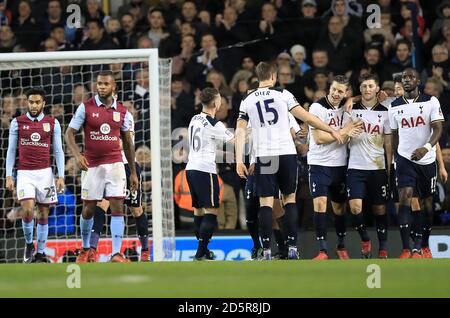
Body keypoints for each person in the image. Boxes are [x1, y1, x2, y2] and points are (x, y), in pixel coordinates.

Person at [235, 62, 346, 260]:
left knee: (266, 203)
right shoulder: (283, 94)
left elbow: (240, 130)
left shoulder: (247, 99)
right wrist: (332, 130)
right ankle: (293, 248)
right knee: (289, 199)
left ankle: (267, 251)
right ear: (273, 76)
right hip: (286, 153)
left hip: (265, 155)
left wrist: (238, 161)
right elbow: (309, 118)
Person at [65, 71, 138, 263]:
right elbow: (69, 133)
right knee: (89, 209)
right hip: (92, 165)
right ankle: (85, 248)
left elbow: (128, 144)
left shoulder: (122, 112)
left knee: (117, 206)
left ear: (113, 86)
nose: (102, 87)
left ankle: (116, 253)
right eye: (99, 84)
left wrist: (133, 173)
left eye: (106, 84)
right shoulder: (86, 107)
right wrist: (77, 154)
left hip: (115, 164)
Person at [388, 68, 444, 259]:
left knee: (426, 203)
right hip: (405, 160)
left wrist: (426, 148)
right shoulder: (394, 105)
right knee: (405, 198)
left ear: (418, 81)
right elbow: (394, 134)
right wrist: (397, 157)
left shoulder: (430, 101)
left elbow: (438, 128)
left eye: (411, 77)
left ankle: (424, 245)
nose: (406, 80)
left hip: (426, 160)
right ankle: (406, 249)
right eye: (404, 77)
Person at [87, 96, 150, 262]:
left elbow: (124, 143)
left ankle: (145, 251)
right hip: (108, 166)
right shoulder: (99, 117)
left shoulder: (124, 115)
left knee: (135, 209)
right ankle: (92, 249)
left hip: (126, 165)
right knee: (101, 205)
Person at [5, 88, 65, 263]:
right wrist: (9, 175)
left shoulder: (52, 123)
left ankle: (41, 252)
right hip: (24, 173)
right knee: (28, 208)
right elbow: (10, 151)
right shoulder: (17, 122)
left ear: (43, 103)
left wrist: (60, 176)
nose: (34, 105)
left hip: (45, 174)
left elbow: (59, 151)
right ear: (27, 102)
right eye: (31, 102)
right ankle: (29, 244)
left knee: (44, 214)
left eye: (37, 102)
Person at [307, 75, 363, 260]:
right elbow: (318, 139)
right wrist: (344, 131)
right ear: (328, 89)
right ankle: (322, 250)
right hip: (318, 164)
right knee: (321, 204)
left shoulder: (347, 109)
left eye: (341, 91)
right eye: (333, 89)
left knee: (339, 208)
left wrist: (353, 100)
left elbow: (372, 94)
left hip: (340, 165)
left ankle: (341, 246)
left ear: (346, 92)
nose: (336, 94)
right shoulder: (317, 107)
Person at [345, 74, 391, 259]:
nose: (367, 89)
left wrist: (389, 168)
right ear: (360, 89)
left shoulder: (386, 111)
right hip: (355, 167)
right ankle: (365, 239)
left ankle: (383, 248)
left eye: (371, 86)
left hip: (378, 167)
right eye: (363, 86)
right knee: (355, 208)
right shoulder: (350, 109)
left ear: (377, 88)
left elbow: (388, 143)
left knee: (379, 209)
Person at [185, 87, 234, 261]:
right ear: (215, 103)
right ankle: (200, 253)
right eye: (220, 98)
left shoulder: (194, 119)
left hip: (191, 168)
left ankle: (204, 251)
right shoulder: (215, 124)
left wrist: (225, 155)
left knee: (198, 211)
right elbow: (234, 140)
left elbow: (205, 146)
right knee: (212, 210)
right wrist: (248, 133)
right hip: (205, 170)